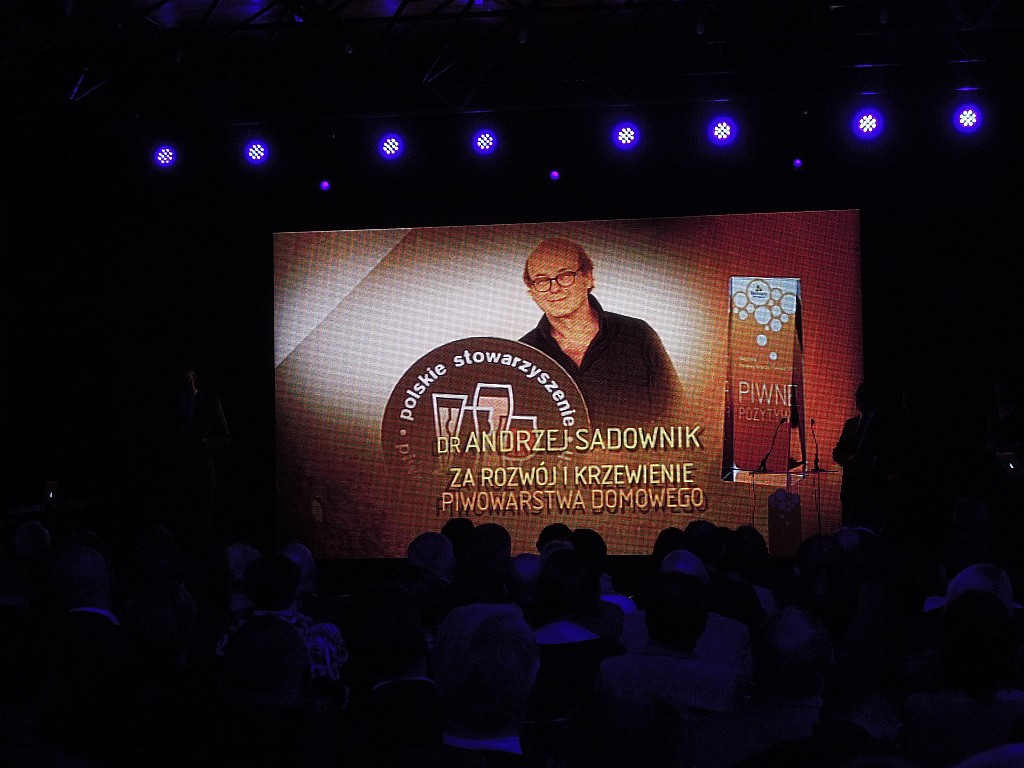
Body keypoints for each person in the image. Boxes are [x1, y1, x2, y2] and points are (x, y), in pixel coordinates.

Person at [519, 237, 684, 428]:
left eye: (565, 276)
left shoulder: (637, 335)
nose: (554, 288)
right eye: (542, 280)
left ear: (588, 277)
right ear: (532, 292)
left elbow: (677, 415)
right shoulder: (522, 354)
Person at [832, 381, 890, 526]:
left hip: (873, 488)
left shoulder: (885, 424)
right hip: (851, 489)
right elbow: (837, 452)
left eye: (862, 396)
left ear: (871, 398)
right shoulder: (851, 424)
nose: (858, 400)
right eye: (857, 396)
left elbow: (890, 454)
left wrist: (868, 459)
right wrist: (849, 459)